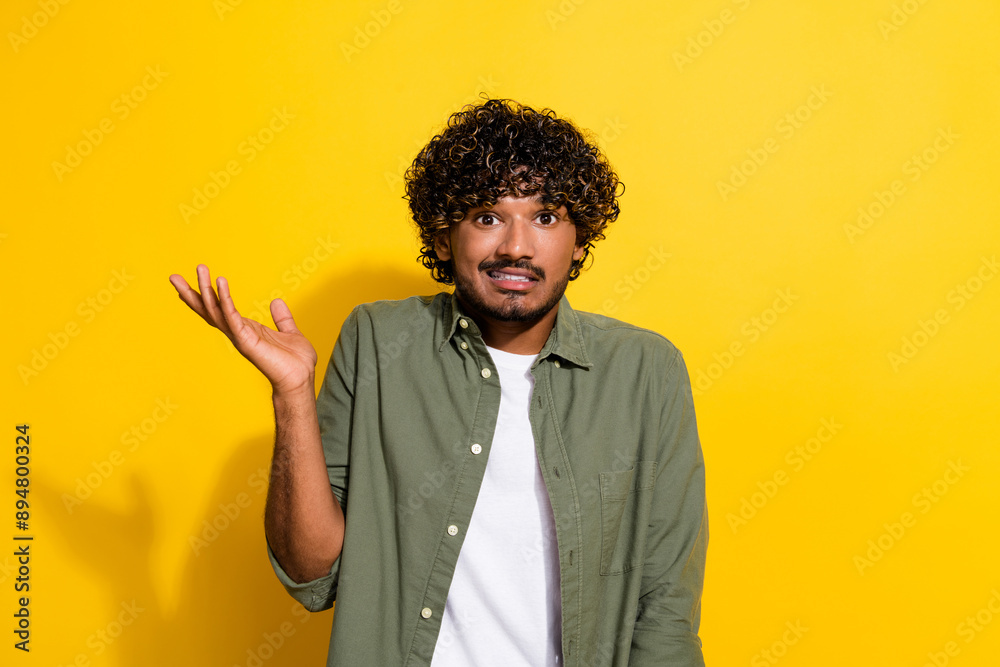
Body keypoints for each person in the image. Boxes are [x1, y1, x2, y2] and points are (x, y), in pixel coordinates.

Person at [169, 98, 708, 666]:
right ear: (445, 236)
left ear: (580, 240)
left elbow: (666, 610)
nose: (516, 247)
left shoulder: (646, 372)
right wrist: (293, 394)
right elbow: (311, 573)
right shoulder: (377, 341)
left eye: (545, 217)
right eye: (487, 216)